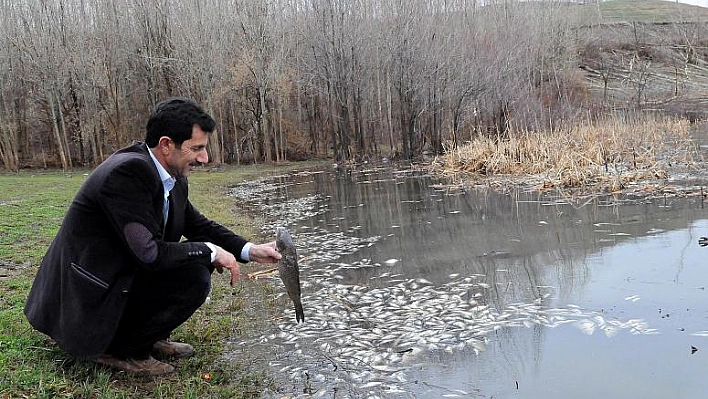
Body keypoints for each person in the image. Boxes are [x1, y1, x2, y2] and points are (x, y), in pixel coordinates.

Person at [24, 97, 281, 375]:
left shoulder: (170, 174)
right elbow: (150, 254)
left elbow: (198, 225)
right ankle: (121, 350)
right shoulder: (127, 173)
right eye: (197, 148)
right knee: (194, 273)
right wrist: (212, 251)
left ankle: (147, 337)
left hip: (117, 276)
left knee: (198, 261)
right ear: (167, 144)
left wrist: (250, 250)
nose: (205, 158)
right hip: (85, 300)